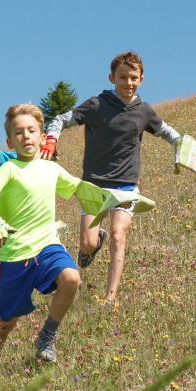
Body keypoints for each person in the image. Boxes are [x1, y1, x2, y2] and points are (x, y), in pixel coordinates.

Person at [0, 103, 115, 369]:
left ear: (41, 136)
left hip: (47, 245)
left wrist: (118, 198)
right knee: (6, 323)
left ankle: (47, 334)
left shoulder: (51, 169)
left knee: (72, 278)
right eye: (19, 133)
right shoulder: (8, 169)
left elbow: (80, 189)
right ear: (9, 141)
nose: (26, 136)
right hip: (14, 254)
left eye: (31, 130)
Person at [41, 50, 180, 307]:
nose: (129, 83)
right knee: (86, 244)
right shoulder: (96, 105)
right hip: (94, 185)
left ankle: (110, 299)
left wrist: (180, 145)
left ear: (142, 79)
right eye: (123, 77)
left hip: (126, 185)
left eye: (134, 78)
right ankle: (95, 242)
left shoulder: (144, 111)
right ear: (111, 78)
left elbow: (167, 132)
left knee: (119, 236)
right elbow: (61, 119)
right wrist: (51, 139)